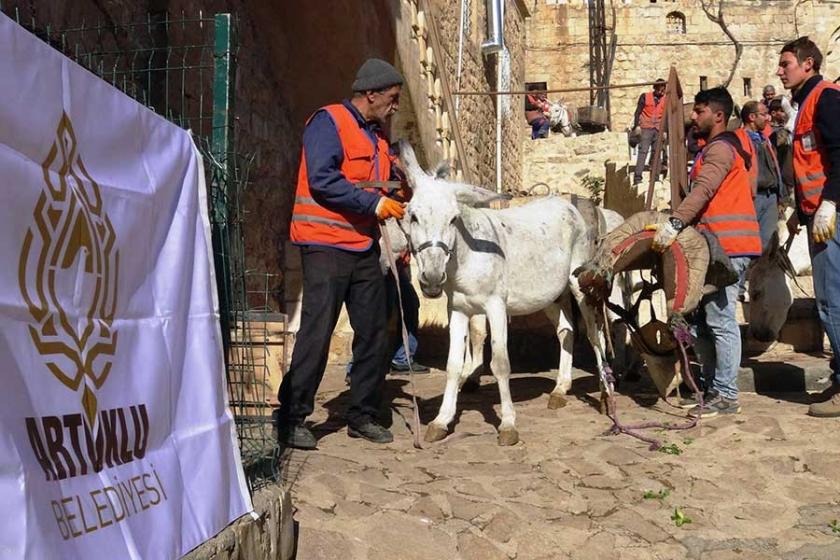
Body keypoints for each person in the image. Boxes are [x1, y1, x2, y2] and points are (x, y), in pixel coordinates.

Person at [275, 58, 407, 449]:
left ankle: (362, 413)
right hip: (324, 243)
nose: (396, 105)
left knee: (374, 332)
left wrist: (394, 194)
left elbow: (375, 182)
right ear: (371, 94)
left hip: (363, 244)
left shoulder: (377, 136)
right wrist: (373, 206)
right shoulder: (328, 122)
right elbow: (323, 179)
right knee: (317, 332)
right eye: (393, 97)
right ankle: (293, 416)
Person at [648, 86, 761, 418]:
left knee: (720, 320)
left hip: (728, 246)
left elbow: (704, 190)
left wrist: (676, 222)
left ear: (719, 115)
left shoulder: (720, 150)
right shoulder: (725, 148)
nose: (693, 117)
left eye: (699, 111)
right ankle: (714, 390)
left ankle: (726, 394)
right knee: (704, 320)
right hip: (722, 244)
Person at [776, 37, 840, 418]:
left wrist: (829, 203)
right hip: (818, 214)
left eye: (786, 63)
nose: (780, 70)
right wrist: (802, 212)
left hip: (832, 216)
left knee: (833, 302)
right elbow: (809, 164)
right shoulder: (805, 104)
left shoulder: (826, 99)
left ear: (808, 63)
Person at [736, 101, 785, 250]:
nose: (768, 118)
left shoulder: (764, 139)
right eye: (764, 114)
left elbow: (774, 167)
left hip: (770, 197)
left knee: (768, 244)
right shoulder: (740, 139)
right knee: (748, 242)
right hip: (753, 197)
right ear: (752, 117)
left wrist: (780, 196)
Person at [632, 78, 668, 185]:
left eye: (663, 90)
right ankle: (638, 178)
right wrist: (637, 126)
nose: (661, 92)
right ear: (655, 89)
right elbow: (638, 112)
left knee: (657, 153)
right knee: (643, 151)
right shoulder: (645, 97)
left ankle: (655, 178)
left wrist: (665, 131)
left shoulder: (665, 99)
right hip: (646, 128)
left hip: (658, 129)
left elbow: (666, 117)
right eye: (660, 90)